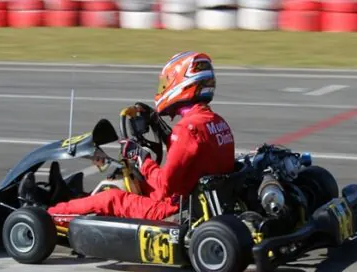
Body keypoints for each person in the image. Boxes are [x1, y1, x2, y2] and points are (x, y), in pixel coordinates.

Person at [44, 51, 236, 221]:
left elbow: (165, 184)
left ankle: (49, 214)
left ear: (183, 83)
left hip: (175, 212)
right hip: (194, 200)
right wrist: (159, 128)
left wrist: (141, 158)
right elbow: (189, 156)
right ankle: (75, 199)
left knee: (111, 198)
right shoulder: (216, 122)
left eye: (167, 82)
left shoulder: (186, 129)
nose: (163, 88)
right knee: (132, 183)